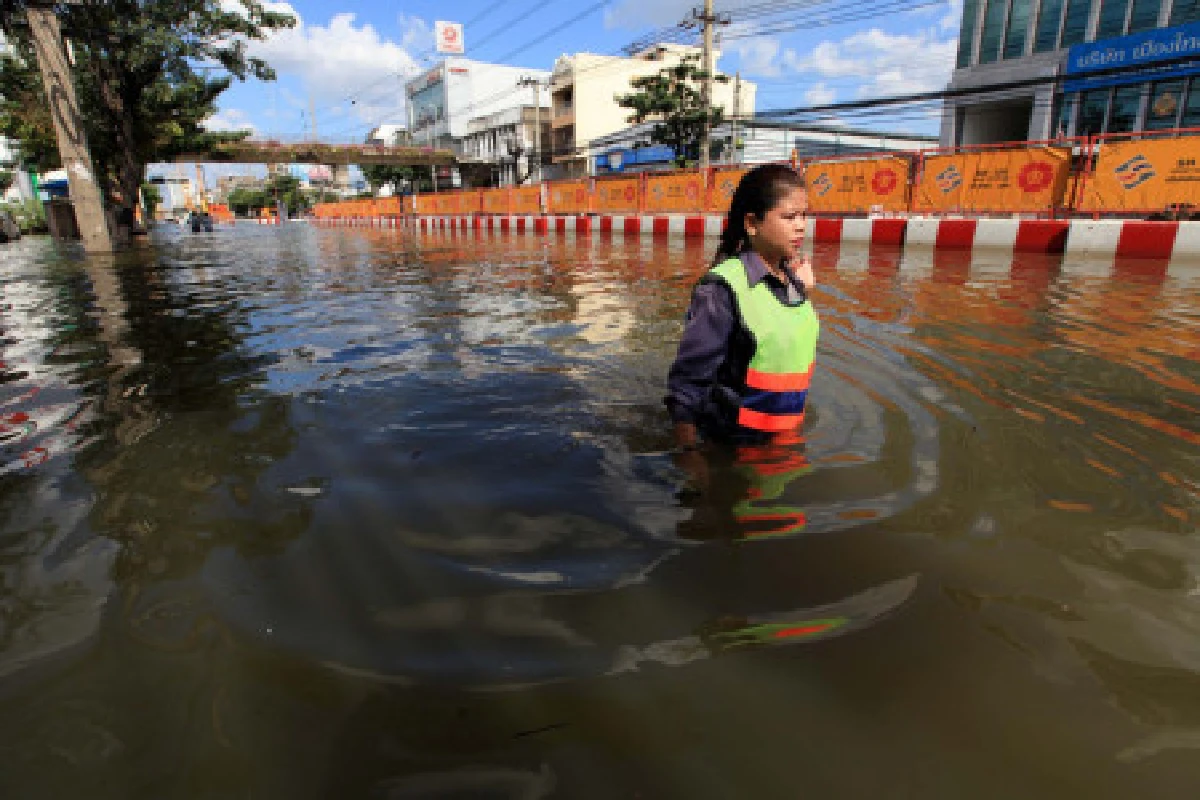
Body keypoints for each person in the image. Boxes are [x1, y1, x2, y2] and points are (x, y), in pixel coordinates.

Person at [664, 164, 817, 537]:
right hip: (732, 445)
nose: (800, 227)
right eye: (789, 216)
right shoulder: (720, 289)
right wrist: (689, 454)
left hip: (783, 441)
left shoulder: (792, 279)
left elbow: (781, 339)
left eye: (804, 216)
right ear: (752, 223)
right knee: (738, 522)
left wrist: (803, 291)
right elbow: (688, 382)